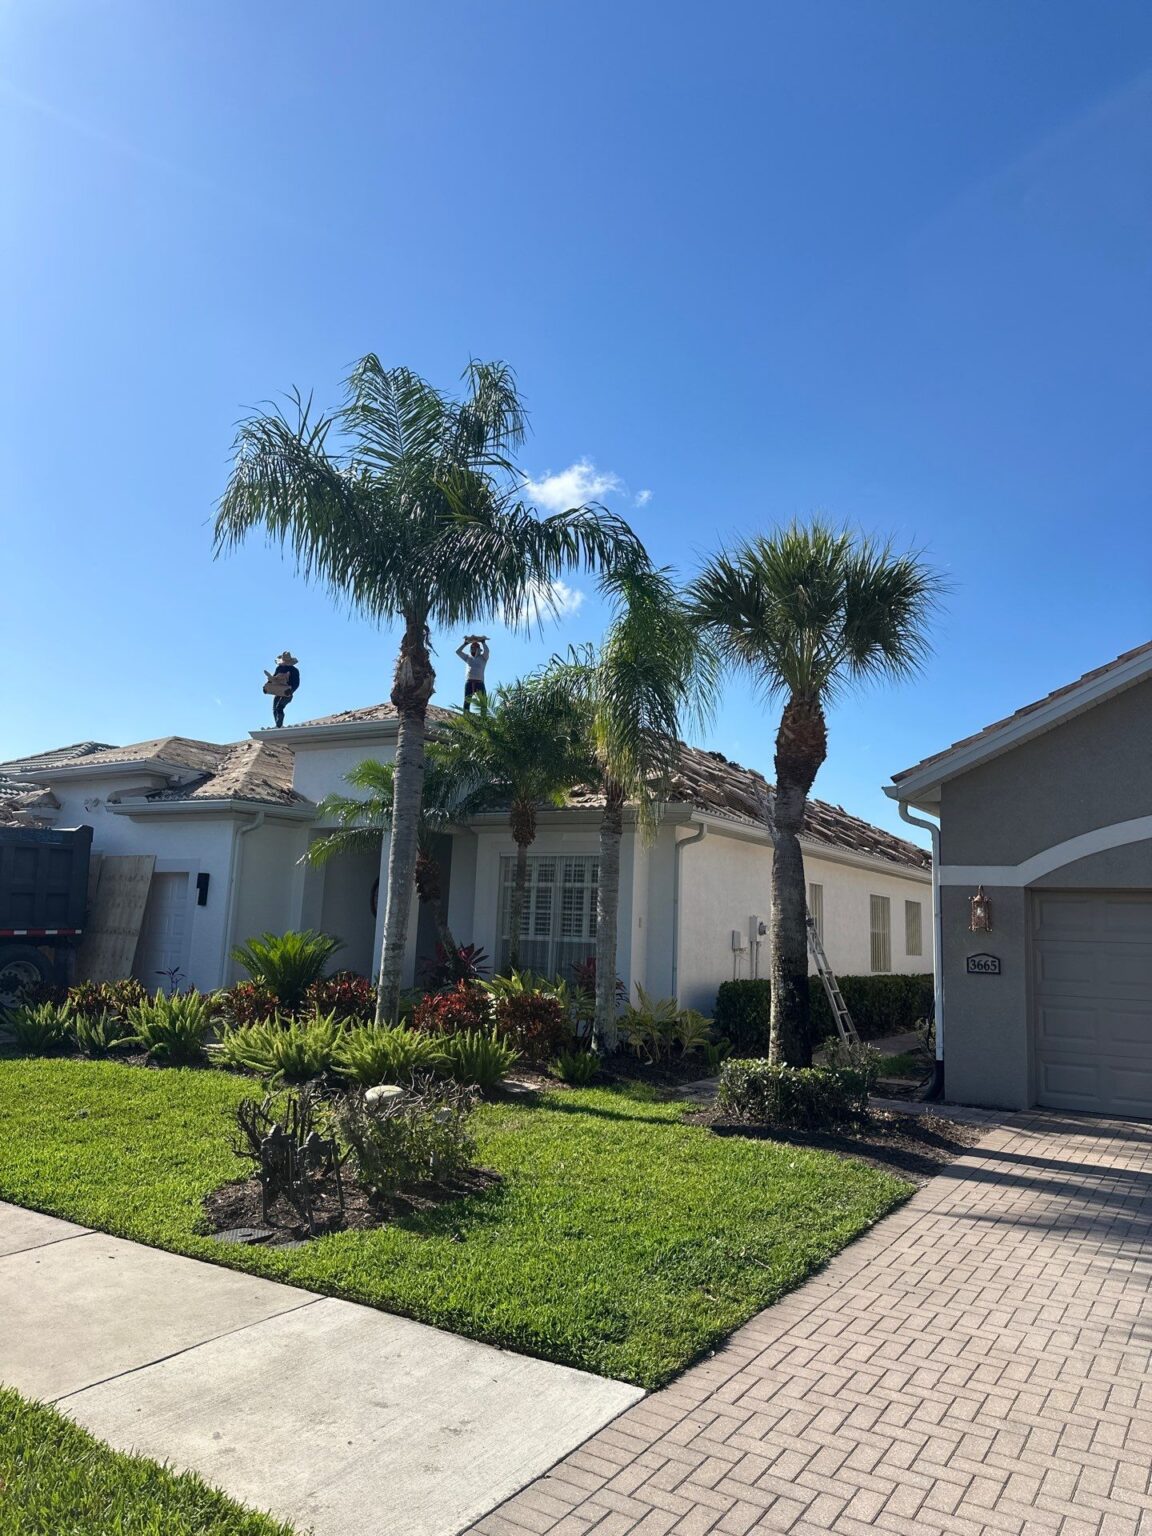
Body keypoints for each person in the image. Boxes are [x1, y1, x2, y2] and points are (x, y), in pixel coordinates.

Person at [263, 650, 300, 727]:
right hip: (278, 691)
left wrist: (291, 690)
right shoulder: (279, 668)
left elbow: (296, 683)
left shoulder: (294, 671)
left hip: (287, 692)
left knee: (279, 707)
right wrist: (267, 686)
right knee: (275, 708)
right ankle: (278, 725)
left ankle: (279, 724)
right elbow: (273, 679)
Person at [456, 635, 489, 710]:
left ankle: (483, 719)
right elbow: (458, 652)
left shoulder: (483, 658)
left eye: (474, 647)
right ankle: (466, 717)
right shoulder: (468, 657)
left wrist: (483, 642)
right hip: (469, 682)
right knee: (467, 702)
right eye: (471, 648)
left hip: (479, 683)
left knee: (483, 703)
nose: (472, 649)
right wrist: (465, 643)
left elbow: (487, 651)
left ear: (478, 649)